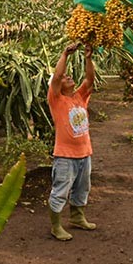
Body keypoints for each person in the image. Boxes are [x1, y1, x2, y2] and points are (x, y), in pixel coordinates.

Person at [47, 42, 97, 241]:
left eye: (70, 76)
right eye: (66, 77)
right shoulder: (56, 99)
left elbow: (90, 79)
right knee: (61, 190)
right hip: (65, 156)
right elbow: (57, 76)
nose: (68, 77)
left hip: (85, 153)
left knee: (82, 188)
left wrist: (88, 58)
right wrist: (65, 54)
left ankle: (77, 218)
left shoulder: (80, 97)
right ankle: (56, 226)